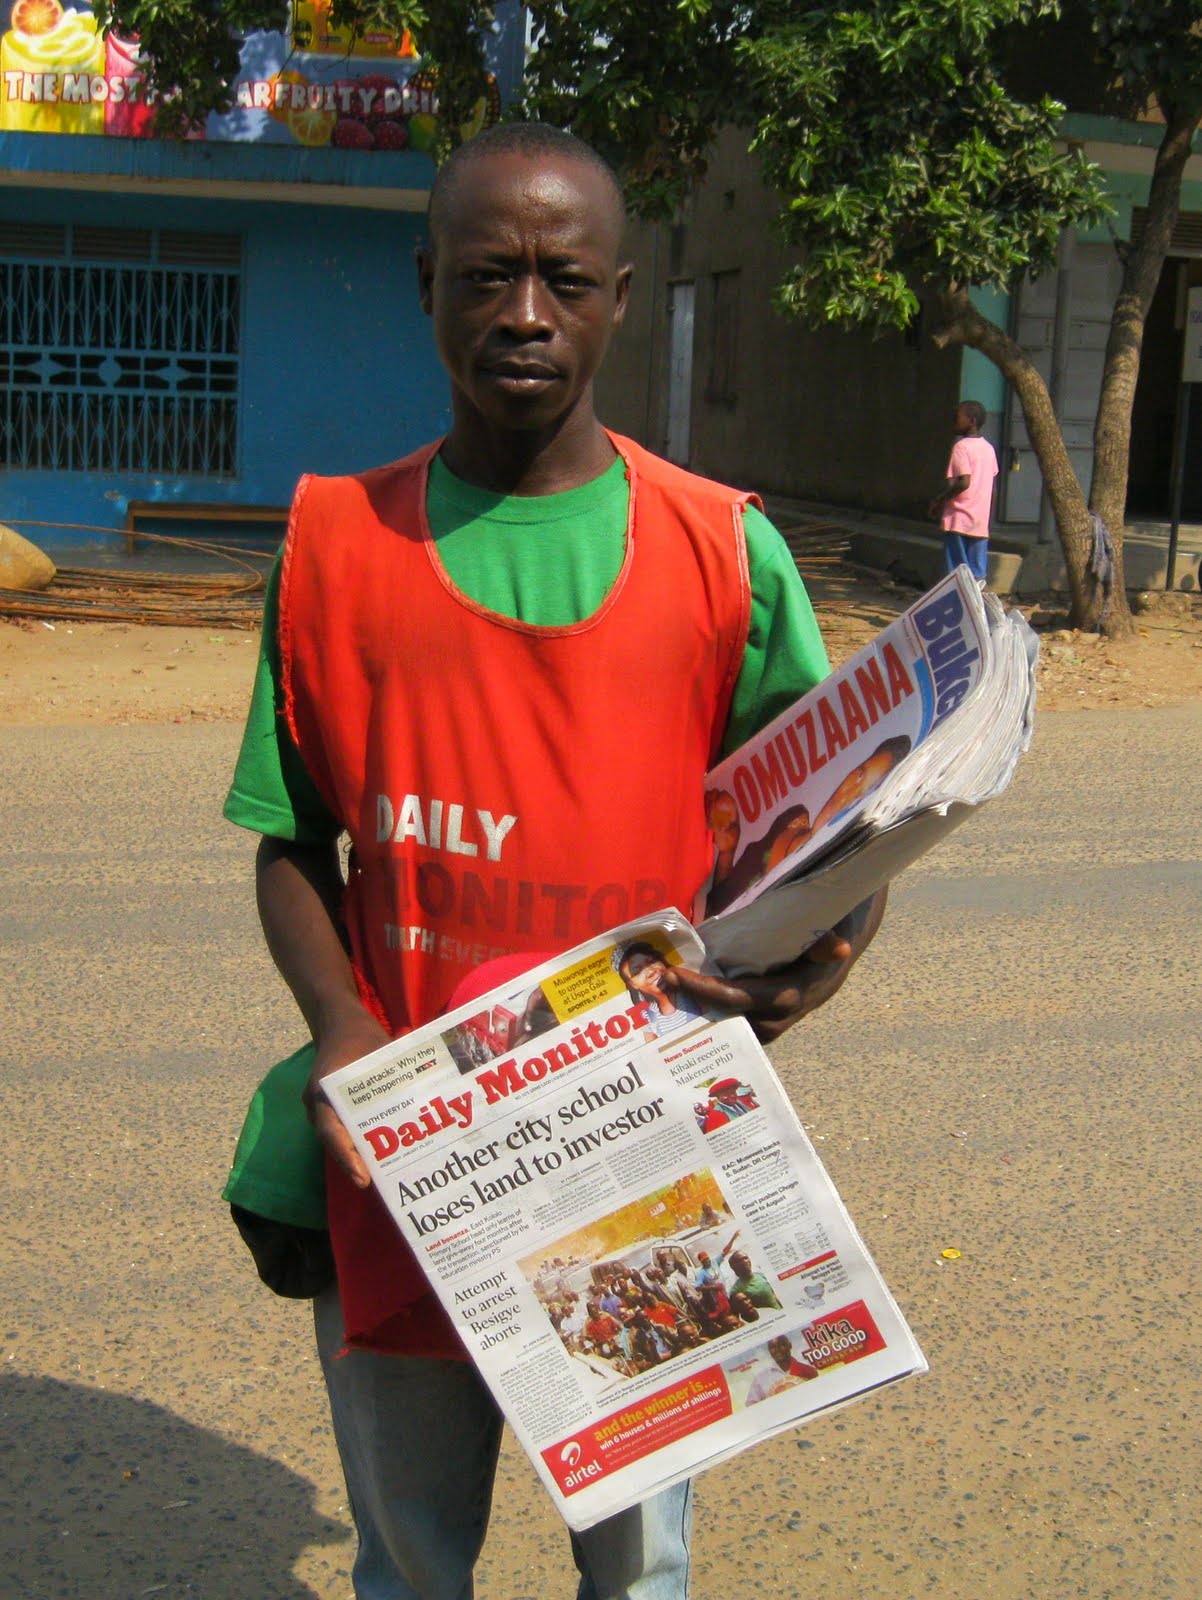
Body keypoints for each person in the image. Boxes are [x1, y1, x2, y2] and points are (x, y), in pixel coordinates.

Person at [224, 121, 886, 1600]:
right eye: (487, 277)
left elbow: (839, 820)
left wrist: (810, 963)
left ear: (620, 298)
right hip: (405, 1157)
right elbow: (291, 837)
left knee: (638, 1571)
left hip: (636, 1148)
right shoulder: (334, 546)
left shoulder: (721, 549)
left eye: (563, 280)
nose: (523, 315)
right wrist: (342, 1027)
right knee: (406, 1558)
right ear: (427, 285)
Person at [928, 399, 999, 582]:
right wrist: (987, 517)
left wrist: (939, 500)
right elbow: (992, 486)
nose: (953, 421)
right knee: (977, 575)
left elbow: (963, 482)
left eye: (957, 417)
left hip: (959, 519)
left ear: (972, 421)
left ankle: (961, 608)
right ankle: (975, 608)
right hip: (979, 522)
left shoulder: (961, 447)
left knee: (957, 575)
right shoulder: (989, 449)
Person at [744, 1334, 820, 1405]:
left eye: (782, 1345)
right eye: (772, 1347)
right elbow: (752, 1405)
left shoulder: (808, 1370)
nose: (777, 1350)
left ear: (790, 1346)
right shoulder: (760, 1378)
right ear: (769, 1351)